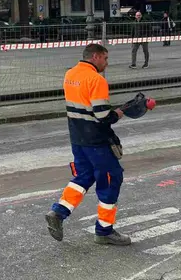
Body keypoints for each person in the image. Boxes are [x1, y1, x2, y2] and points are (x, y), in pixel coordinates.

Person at [45, 44, 131, 246]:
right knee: (111, 179)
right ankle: (104, 231)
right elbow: (102, 115)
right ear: (96, 56)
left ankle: (58, 212)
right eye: (105, 58)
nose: (107, 63)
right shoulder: (96, 80)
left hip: (77, 138)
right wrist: (118, 113)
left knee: (84, 175)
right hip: (97, 141)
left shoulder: (70, 75)